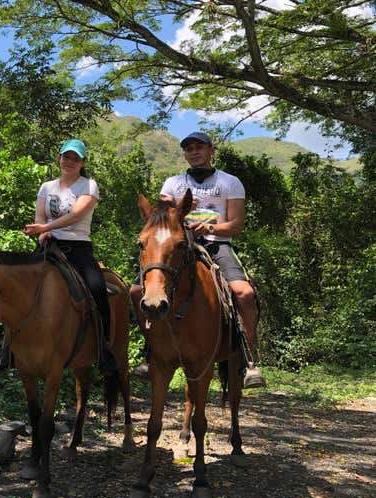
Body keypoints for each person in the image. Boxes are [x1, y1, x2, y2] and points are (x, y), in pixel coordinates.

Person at [130, 131, 266, 388]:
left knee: (244, 294)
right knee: (137, 291)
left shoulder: (230, 182)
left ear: (211, 150)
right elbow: (162, 218)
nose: (194, 152)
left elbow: (237, 224)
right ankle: (151, 352)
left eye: (199, 147)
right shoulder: (173, 183)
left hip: (217, 246)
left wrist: (211, 228)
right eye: (189, 148)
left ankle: (249, 360)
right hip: (179, 247)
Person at [23, 138, 116, 373]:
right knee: (18, 285)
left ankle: (104, 349)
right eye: (67, 156)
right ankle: (11, 349)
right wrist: (42, 231)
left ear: (82, 162)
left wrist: (44, 229)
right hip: (49, 246)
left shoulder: (88, 186)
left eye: (76, 158)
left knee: (97, 289)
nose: (70, 161)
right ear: (60, 158)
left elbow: (76, 215)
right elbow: (40, 216)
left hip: (77, 247)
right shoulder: (47, 187)